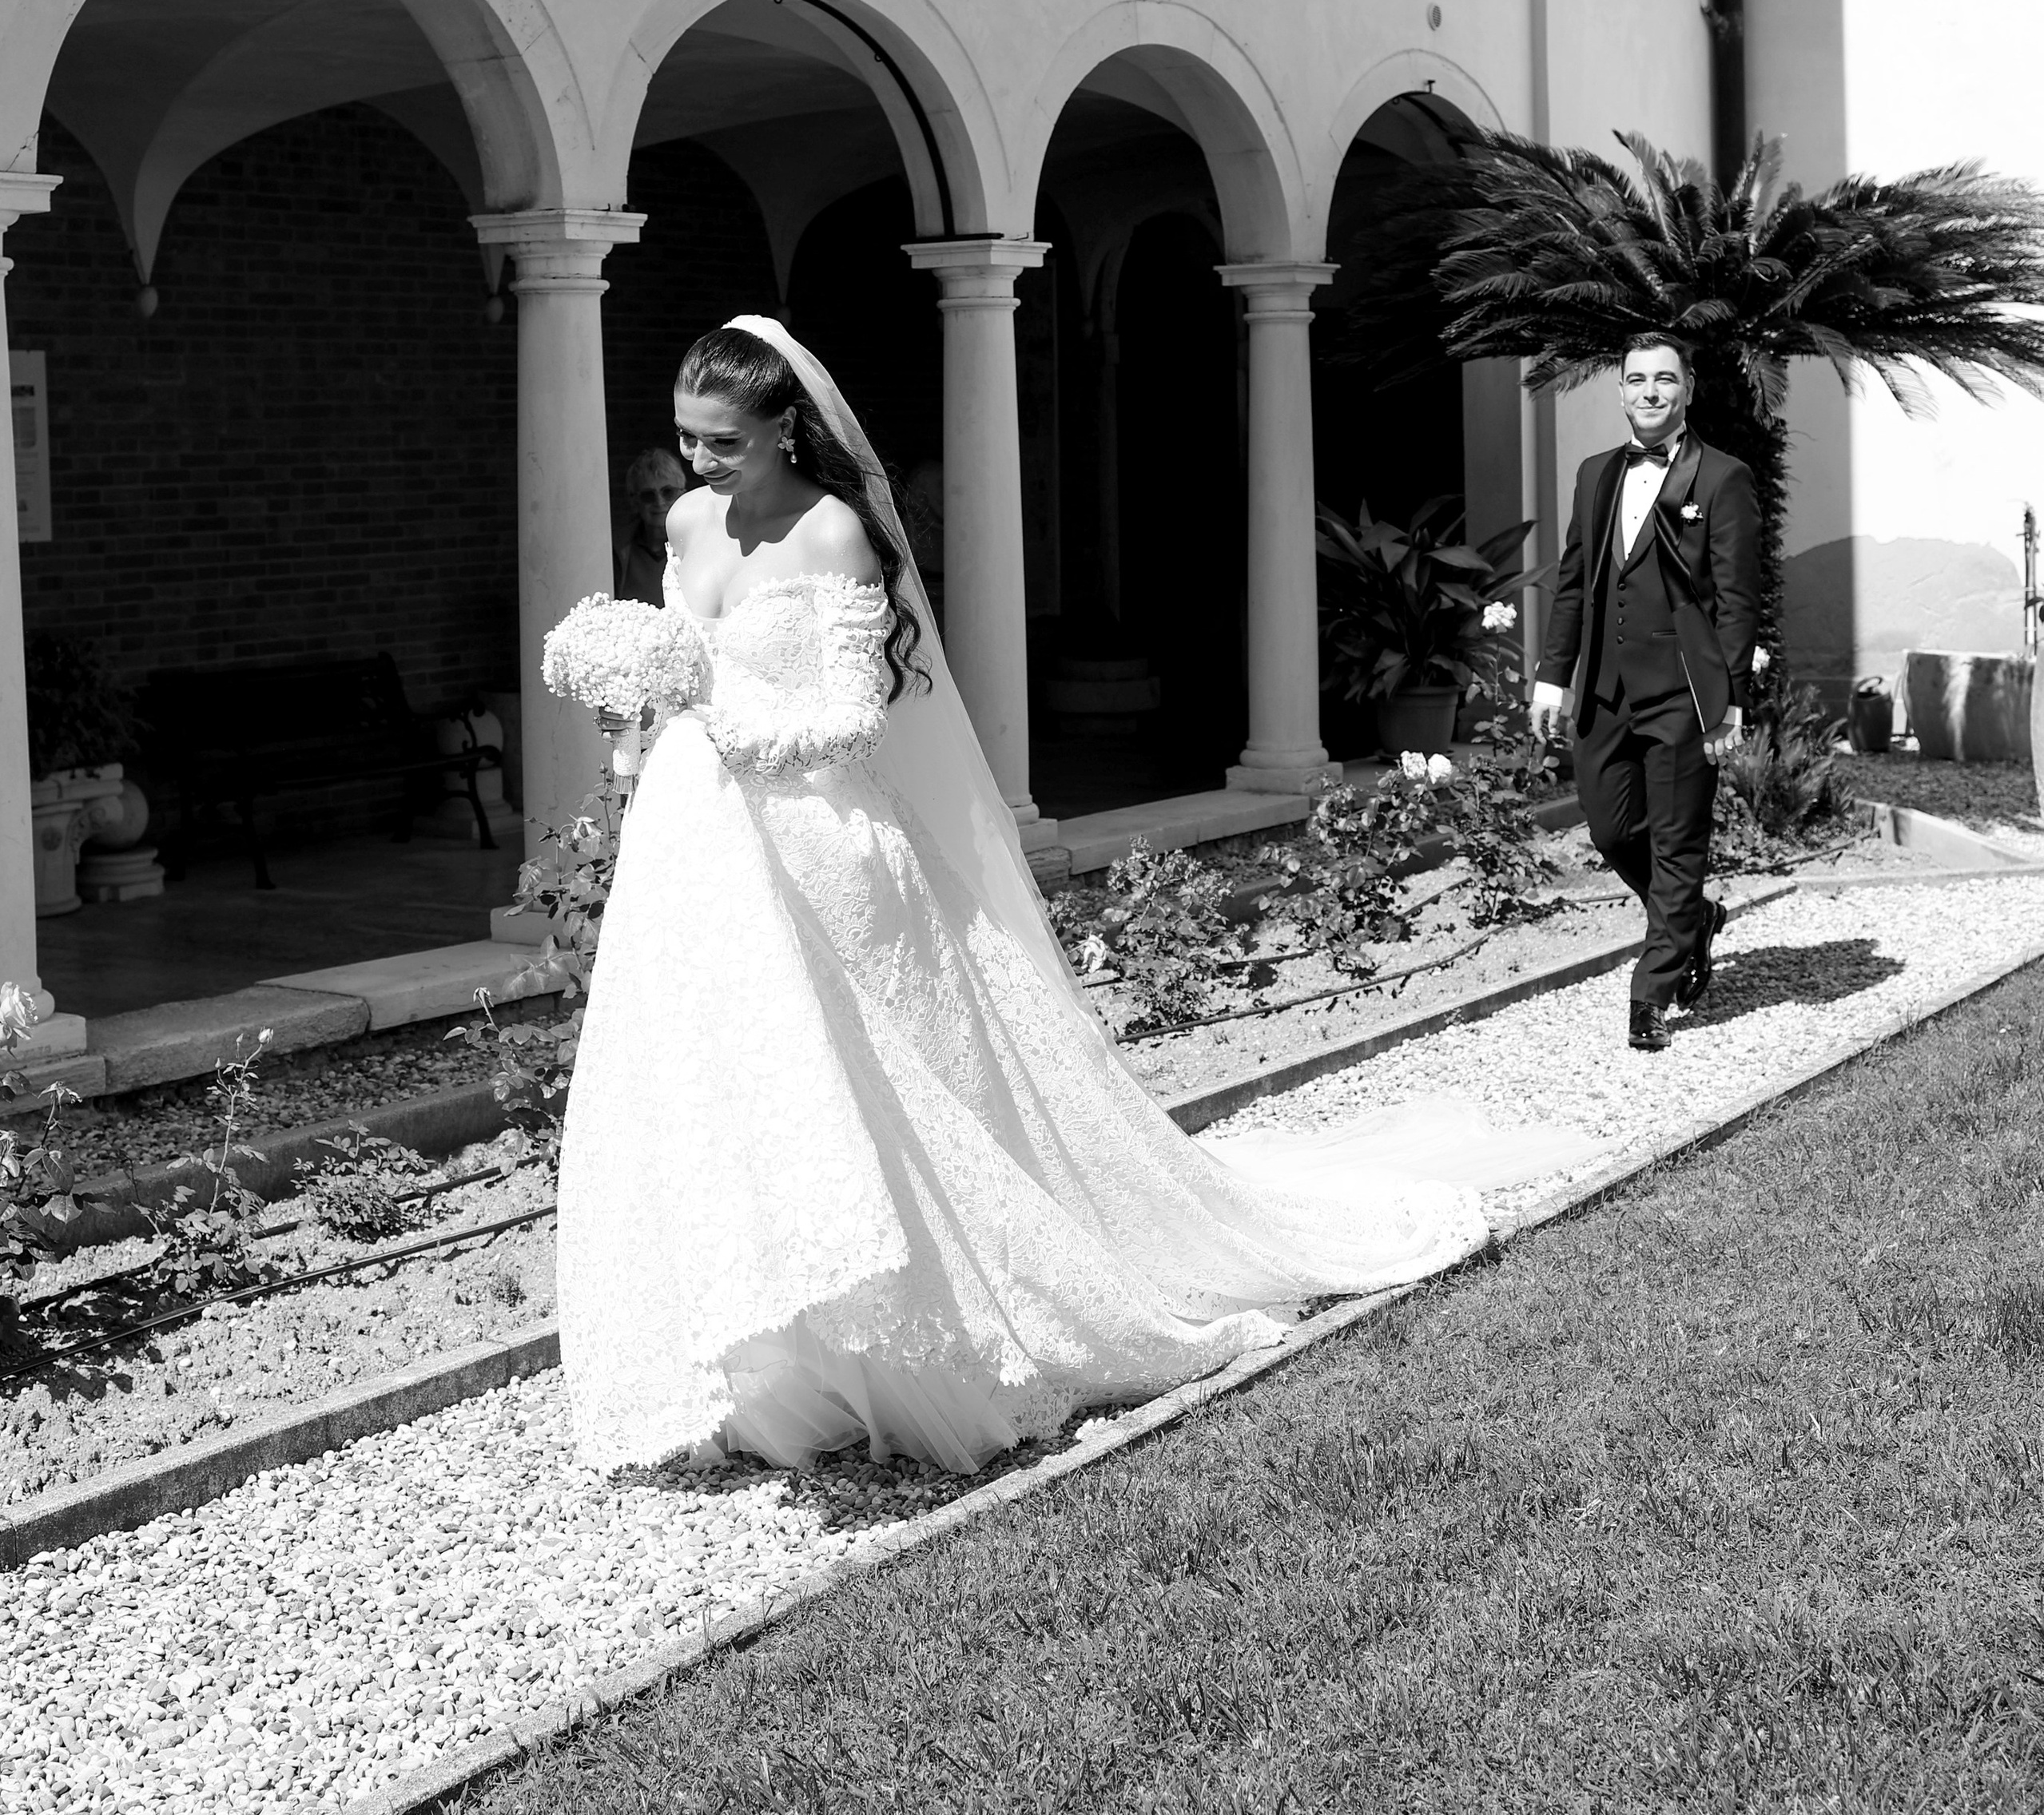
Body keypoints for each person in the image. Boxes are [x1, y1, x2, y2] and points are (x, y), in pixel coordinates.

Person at [556, 317, 1580, 1479]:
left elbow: (852, 717)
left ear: (787, 423)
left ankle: (926, 1342)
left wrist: (723, 721)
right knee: (733, 1088)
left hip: (825, 850)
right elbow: (677, 675)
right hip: (701, 851)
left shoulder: (835, 531)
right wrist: (634, 711)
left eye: (723, 442)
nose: (698, 464)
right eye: (687, 440)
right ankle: (774, 1356)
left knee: (868, 1098)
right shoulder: (688, 525)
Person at [1530, 332, 1761, 1054]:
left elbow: (1737, 599)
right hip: (1603, 690)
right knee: (1609, 828)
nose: (1651, 392)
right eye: (1638, 380)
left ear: (1689, 388)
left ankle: (1652, 993)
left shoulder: (1722, 477)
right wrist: (1551, 674)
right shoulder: (1596, 472)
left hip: (1684, 694)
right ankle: (1693, 917)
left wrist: (1728, 700)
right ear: (1622, 391)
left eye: (1666, 379)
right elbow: (1573, 581)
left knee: (1677, 840)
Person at [613, 447, 688, 605]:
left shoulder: (697, 544)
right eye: (648, 495)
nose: (659, 502)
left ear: (682, 495)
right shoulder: (617, 550)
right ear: (634, 501)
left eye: (668, 492)